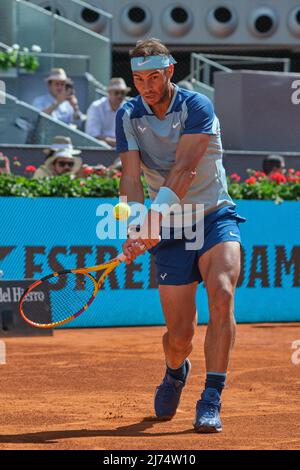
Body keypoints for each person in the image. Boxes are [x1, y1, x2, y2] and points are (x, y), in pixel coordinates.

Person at [116, 38, 246, 433]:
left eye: (153, 76)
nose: (146, 86)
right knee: (180, 335)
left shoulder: (197, 107)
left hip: (213, 216)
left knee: (221, 294)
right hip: (171, 227)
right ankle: (175, 371)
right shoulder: (128, 114)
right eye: (138, 78)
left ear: (170, 71)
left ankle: (211, 398)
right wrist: (136, 224)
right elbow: (131, 176)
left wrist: (152, 221)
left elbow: (185, 170)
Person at [85, 77, 130, 148]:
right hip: (100, 148)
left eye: (123, 93)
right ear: (109, 93)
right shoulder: (96, 107)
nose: (120, 96)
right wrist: (116, 142)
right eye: (116, 92)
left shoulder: (128, 108)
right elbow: (93, 135)